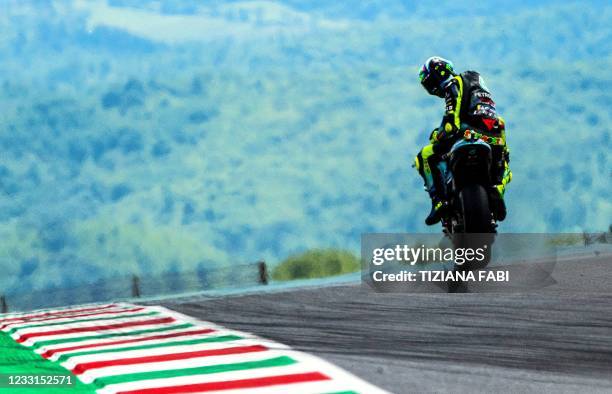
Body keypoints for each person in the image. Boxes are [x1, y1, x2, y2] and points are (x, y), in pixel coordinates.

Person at [414, 56, 512, 225]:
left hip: (468, 134)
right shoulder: (476, 80)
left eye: (430, 83)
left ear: (437, 76)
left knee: (423, 156)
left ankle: (439, 201)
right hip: (493, 136)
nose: (431, 88)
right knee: (505, 162)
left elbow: (453, 122)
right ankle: (497, 189)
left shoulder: (452, 85)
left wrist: (437, 135)